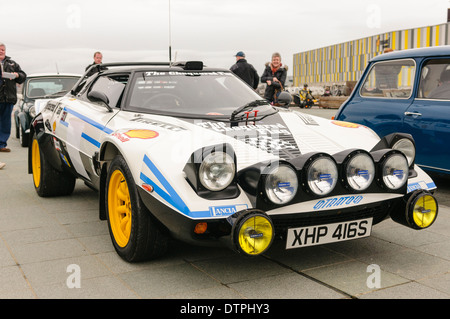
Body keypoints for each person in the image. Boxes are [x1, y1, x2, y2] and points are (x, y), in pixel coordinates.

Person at [0, 42, 26, 152]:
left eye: (2, 50)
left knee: (5, 122)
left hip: (8, 98)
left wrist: (16, 75)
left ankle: (2, 145)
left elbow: (23, 76)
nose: (1, 51)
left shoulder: (12, 64)